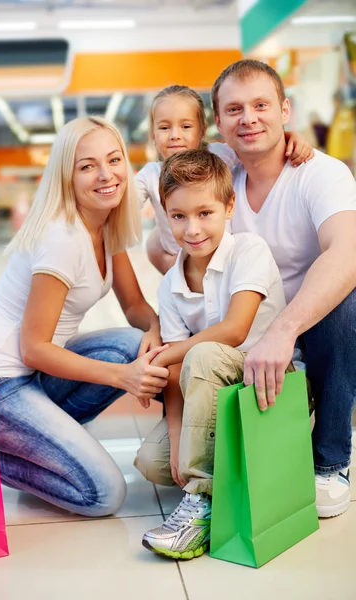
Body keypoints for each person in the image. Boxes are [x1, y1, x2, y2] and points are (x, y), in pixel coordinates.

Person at [0, 116, 170, 518]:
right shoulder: (62, 239)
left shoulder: (106, 224)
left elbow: (135, 309)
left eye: (113, 160)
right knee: (104, 494)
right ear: (66, 177)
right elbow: (33, 348)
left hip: (32, 378)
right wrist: (123, 378)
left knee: (130, 344)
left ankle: (43, 442)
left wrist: (156, 329)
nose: (106, 175)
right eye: (87, 166)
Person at [210, 59, 356, 518]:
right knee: (161, 468)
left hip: (313, 334)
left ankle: (331, 458)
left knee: (346, 299)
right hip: (245, 336)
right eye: (234, 109)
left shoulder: (321, 173)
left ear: (285, 110)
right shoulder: (219, 177)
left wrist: (285, 329)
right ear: (218, 121)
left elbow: (348, 253)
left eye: (260, 105)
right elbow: (164, 251)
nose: (248, 118)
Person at [135, 149, 287, 559]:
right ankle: (221, 473)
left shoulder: (248, 250)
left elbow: (235, 331)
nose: (192, 229)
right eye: (178, 216)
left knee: (202, 353)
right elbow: (175, 372)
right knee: (153, 462)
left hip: (265, 384)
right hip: (208, 393)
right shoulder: (170, 285)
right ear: (165, 214)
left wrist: (162, 356)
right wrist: (177, 432)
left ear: (229, 206)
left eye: (205, 213)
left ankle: (201, 504)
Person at [136, 84, 314, 275]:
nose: (175, 135)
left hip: (225, 264)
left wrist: (290, 137)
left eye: (186, 126)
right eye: (164, 127)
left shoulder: (219, 155)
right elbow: (124, 204)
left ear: (202, 130)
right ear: (152, 134)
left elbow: (260, 147)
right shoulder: (150, 175)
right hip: (180, 268)